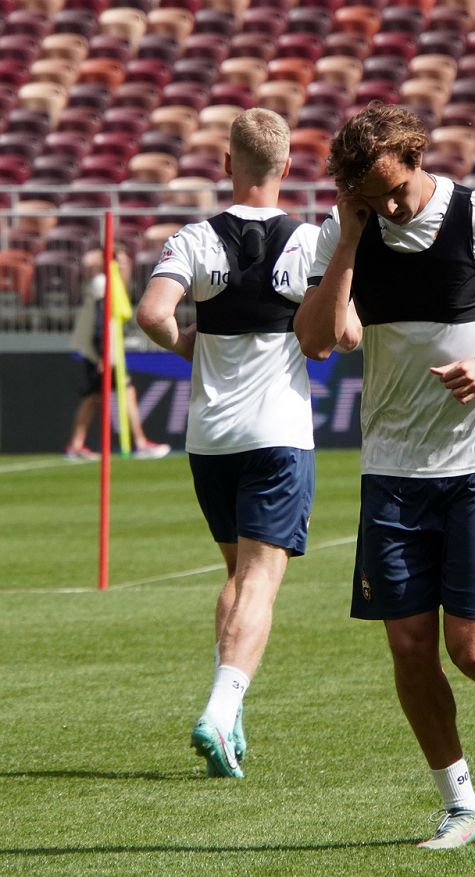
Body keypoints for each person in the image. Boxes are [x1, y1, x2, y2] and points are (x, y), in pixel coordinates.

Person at [294, 103, 475, 849]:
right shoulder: (345, 233)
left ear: (417, 158)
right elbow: (318, 340)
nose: (390, 208)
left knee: (474, 649)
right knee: (409, 648)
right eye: (372, 198)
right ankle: (462, 808)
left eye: (396, 190)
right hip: (392, 470)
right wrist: (349, 239)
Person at [136, 108, 320, 778]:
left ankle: (230, 714)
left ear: (226, 163)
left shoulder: (194, 238)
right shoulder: (309, 242)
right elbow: (343, 332)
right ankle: (220, 708)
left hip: (210, 437)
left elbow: (152, 312)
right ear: (287, 166)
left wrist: (184, 343)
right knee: (261, 583)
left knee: (238, 577)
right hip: (278, 434)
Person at [65, 246, 171, 461]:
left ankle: (76, 445)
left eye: (125, 262)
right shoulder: (103, 284)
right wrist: (103, 354)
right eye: (119, 262)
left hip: (105, 350)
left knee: (94, 397)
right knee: (121, 392)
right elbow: (99, 321)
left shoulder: (115, 284)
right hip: (100, 351)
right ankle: (140, 443)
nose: (123, 266)